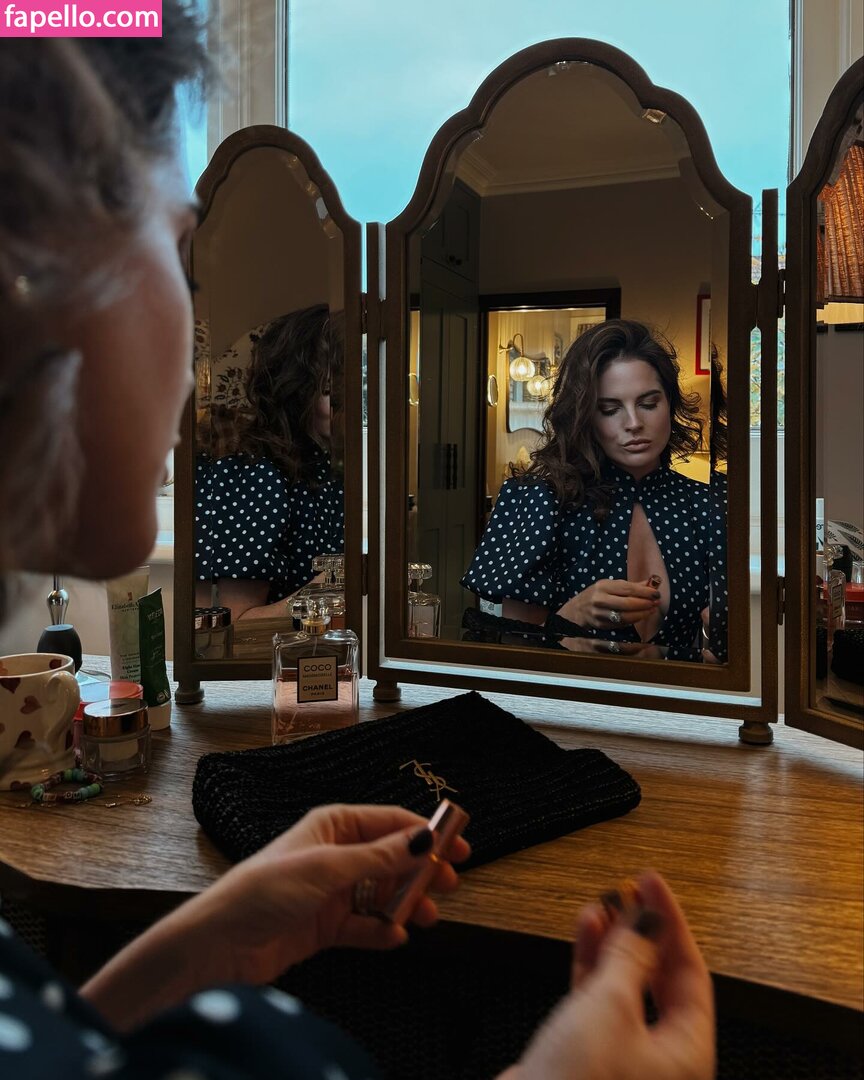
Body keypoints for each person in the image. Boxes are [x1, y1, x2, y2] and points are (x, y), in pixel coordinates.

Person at [0, 22, 715, 1079]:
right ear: (33, 268)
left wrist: (212, 937)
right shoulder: (318, 482)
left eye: (650, 402)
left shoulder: (702, 508)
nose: (193, 356)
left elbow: (64, 1057)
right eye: (176, 244)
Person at [462, 319, 728, 662]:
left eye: (648, 404)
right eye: (610, 410)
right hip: (568, 695)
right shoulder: (540, 501)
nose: (633, 423)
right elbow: (513, 653)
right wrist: (573, 614)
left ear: (670, 404)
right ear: (585, 416)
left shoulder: (709, 504)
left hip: (676, 696)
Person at [194, 304, 345, 622]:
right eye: (331, 392)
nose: (350, 405)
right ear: (298, 391)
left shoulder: (329, 470)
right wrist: (330, 586)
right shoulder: (258, 476)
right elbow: (236, 623)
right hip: (276, 652)